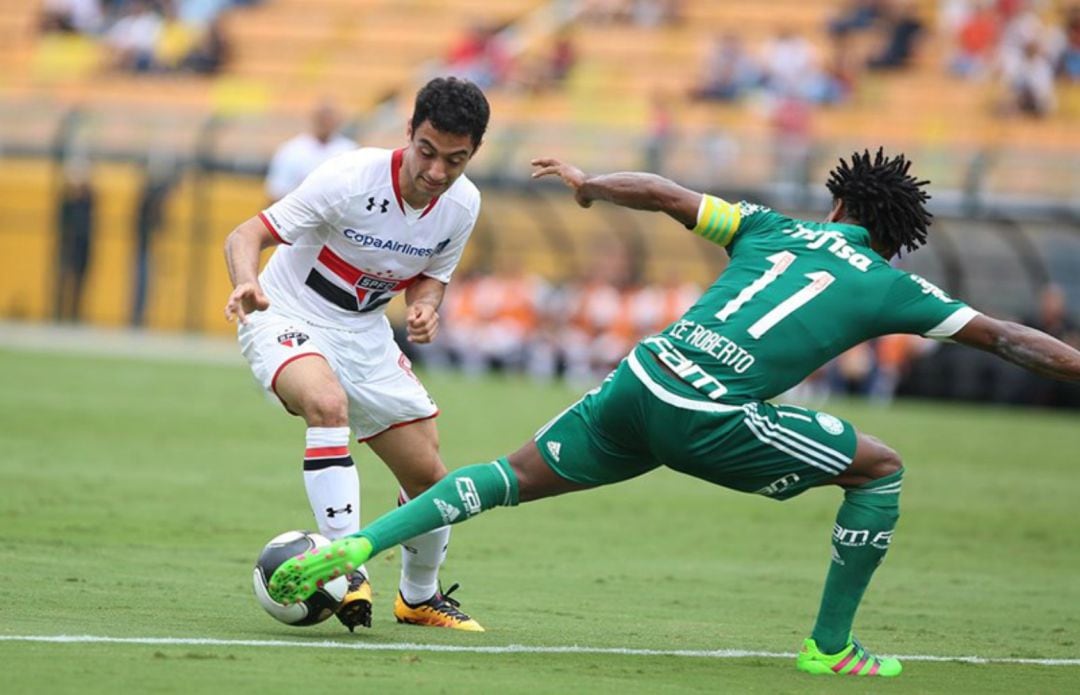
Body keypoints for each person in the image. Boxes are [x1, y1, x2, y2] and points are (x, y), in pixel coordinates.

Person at [267, 149, 1080, 675]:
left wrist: (589, 186)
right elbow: (1007, 337)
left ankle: (353, 546)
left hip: (642, 379)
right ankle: (831, 646)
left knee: (506, 475)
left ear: (836, 206)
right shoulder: (895, 284)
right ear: (896, 236)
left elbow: (659, 193)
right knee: (880, 468)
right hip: (707, 414)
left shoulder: (769, 226)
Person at [224, 76, 491, 632]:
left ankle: (418, 597)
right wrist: (248, 284)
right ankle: (346, 570)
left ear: (474, 154)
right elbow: (245, 234)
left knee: (430, 477)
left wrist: (425, 306)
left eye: (455, 160)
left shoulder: (463, 205)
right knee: (327, 404)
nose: (437, 172)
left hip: (365, 332)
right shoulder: (349, 178)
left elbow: (430, 276)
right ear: (409, 132)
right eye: (427, 152)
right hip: (287, 312)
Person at [264, 101, 357, 203]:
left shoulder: (350, 150)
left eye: (329, 119)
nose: (325, 123)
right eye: (322, 118)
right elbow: (276, 192)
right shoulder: (291, 150)